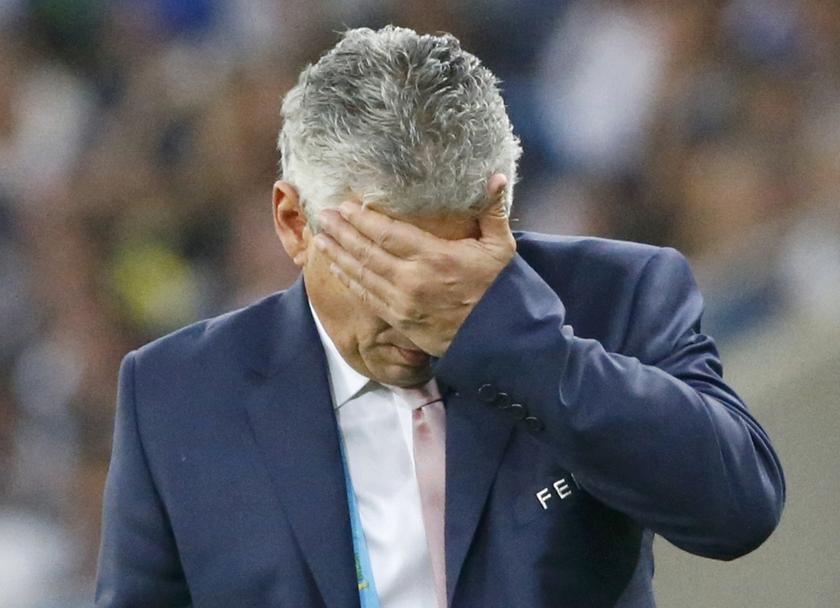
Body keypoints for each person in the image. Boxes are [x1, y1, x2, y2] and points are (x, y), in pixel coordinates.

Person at [95, 26, 785, 608]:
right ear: (293, 223)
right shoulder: (174, 397)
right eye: (381, 266)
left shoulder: (613, 297)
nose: (415, 305)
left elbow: (739, 509)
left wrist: (521, 346)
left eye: (450, 262)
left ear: (500, 216)